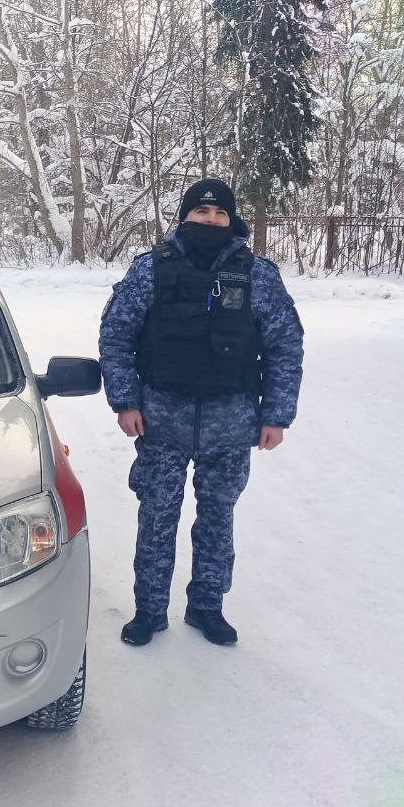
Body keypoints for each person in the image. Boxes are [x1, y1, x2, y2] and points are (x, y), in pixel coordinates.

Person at [98, 178, 303, 647]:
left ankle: (207, 607)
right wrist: (126, 401)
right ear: (184, 217)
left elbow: (284, 346)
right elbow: (116, 336)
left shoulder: (258, 275)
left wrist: (276, 415)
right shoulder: (150, 270)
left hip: (231, 425)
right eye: (201, 213)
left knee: (217, 520)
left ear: (232, 220)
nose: (211, 221)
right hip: (161, 422)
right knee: (156, 519)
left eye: (220, 214)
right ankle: (149, 611)